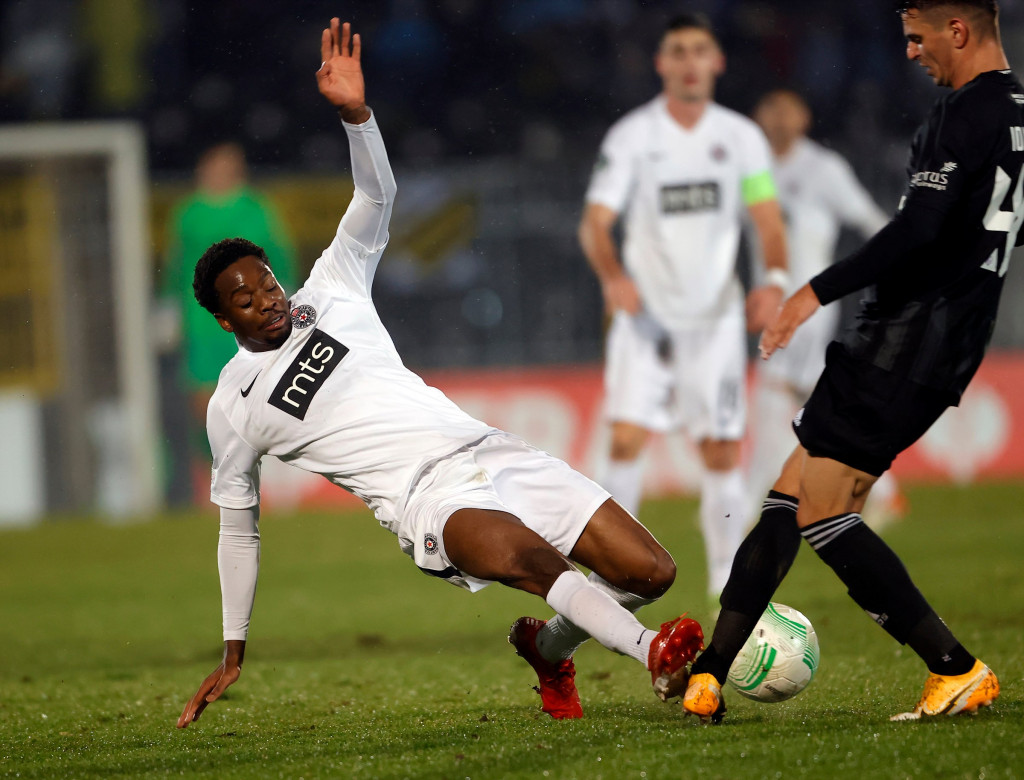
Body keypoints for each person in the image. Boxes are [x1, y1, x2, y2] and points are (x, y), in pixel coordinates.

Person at [177, 19, 704, 730]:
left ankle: (548, 649)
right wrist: (233, 648)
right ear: (223, 320)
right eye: (246, 299)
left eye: (267, 282)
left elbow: (376, 199)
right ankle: (653, 654)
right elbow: (239, 530)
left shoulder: (330, 289)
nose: (267, 299)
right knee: (535, 562)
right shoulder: (234, 406)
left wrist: (357, 118)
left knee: (650, 572)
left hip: (488, 450)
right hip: (428, 501)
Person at [683, 0, 1012, 723]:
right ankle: (709, 672)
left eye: (918, 37)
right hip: (942, 336)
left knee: (823, 511)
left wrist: (814, 291)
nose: (910, 52)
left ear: (958, 31)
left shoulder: (963, 113)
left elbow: (917, 228)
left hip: (907, 335)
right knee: (790, 492)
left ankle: (955, 668)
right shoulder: (1017, 114)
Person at [578, 13, 789, 602]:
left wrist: (773, 279)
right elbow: (596, 223)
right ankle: (609, 577)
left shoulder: (740, 138)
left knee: (720, 450)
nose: (690, 61)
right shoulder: (632, 137)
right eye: (678, 51)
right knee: (625, 441)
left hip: (714, 321)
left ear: (717, 61)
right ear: (661, 64)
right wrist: (613, 276)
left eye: (700, 50)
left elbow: (767, 220)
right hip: (644, 322)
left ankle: (727, 584)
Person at [747, 89, 906, 530]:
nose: (778, 119)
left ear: (804, 118)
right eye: (770, 109)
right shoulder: (750, 169)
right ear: (757, 117)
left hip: (809, 306)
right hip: (774, 304)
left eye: (787, 110)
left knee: (770, 395)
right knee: (822, 401)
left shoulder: (823, 168)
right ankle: (887, 493)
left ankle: (747, 505)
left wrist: (903, 260)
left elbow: (868, 219)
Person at [163, 136, 298, 499]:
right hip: (202, 323)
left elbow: (279, 256)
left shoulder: (257, 209)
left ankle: (263, 481)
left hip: (251, 321)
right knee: (206, 407)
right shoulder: (188, 212)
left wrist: (288, 298)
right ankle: (211, 483)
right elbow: (176, 265)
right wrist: (169, 309)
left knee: (258, 401)